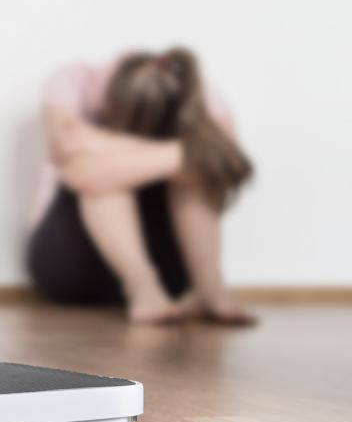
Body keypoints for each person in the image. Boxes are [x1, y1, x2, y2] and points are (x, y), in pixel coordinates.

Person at [28, 47, 256, 325]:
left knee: (194, 175)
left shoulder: (195, 88)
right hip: (71, 265)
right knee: (102, 172)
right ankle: (142, 287)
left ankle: (209, 290)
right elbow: (67, 148)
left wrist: (100, 142)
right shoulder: (74, 79)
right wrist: (188, 153)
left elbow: (228, 162)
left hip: (170, 272)